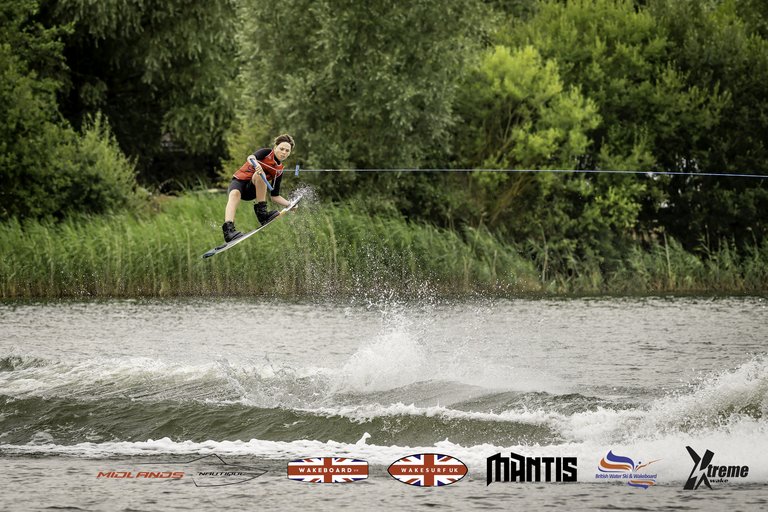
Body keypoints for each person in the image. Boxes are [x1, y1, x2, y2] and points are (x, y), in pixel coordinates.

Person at [222, 134, 295, 242]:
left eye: (287, 151)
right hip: (239, 182)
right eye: (281, 149)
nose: (284, 152)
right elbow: (250, 157)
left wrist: (290, 204)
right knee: (234, 195)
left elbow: (275, 196)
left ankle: (262, 215)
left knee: (260, 175)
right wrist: (257, 164)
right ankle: (229, 231)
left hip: (252, 190)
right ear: (275, 147)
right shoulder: (266, 152)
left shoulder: (279, 171)